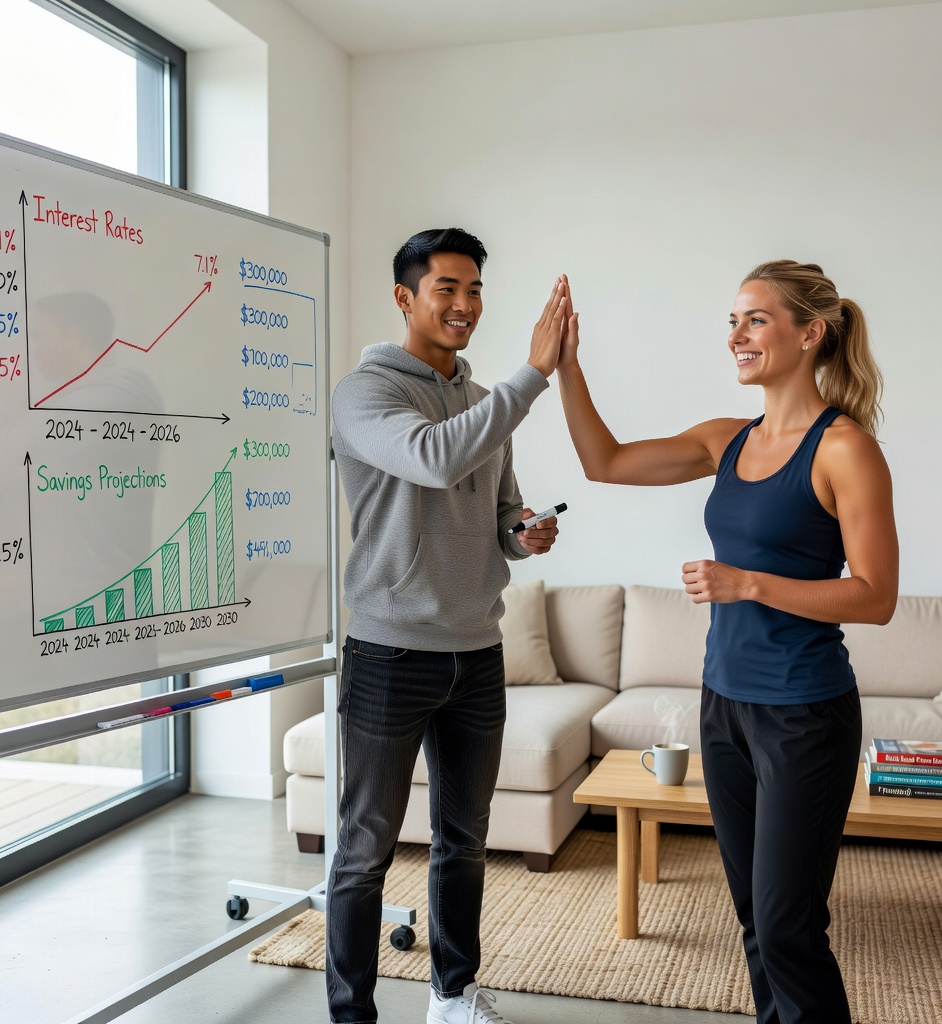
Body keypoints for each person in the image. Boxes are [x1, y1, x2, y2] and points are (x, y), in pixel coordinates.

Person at [556, 261, 898, 1024]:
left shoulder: (845, 450)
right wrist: (567, 368)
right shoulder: (725, 440)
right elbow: (603, 463)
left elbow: (877, 596)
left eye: (755, 320)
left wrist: (750, 584)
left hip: (804, 715)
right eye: (732, 322)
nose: (736, 337)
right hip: (727, 708)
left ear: (810, 334)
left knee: (789, 930)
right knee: (754, 923)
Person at [327, 227, 567, 1024]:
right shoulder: (364, 395)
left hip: (478, 654)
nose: (465, 306)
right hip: (390, 652)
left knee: (463, 842)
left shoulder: (478, 404)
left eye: (474, 291)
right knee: (364, 855)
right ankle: (351, 1014)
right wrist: (533, 375)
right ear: (406, 297)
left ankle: (453, 997)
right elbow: (431, 459)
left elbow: (499, 512)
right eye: (447, 290)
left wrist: (522, 533)